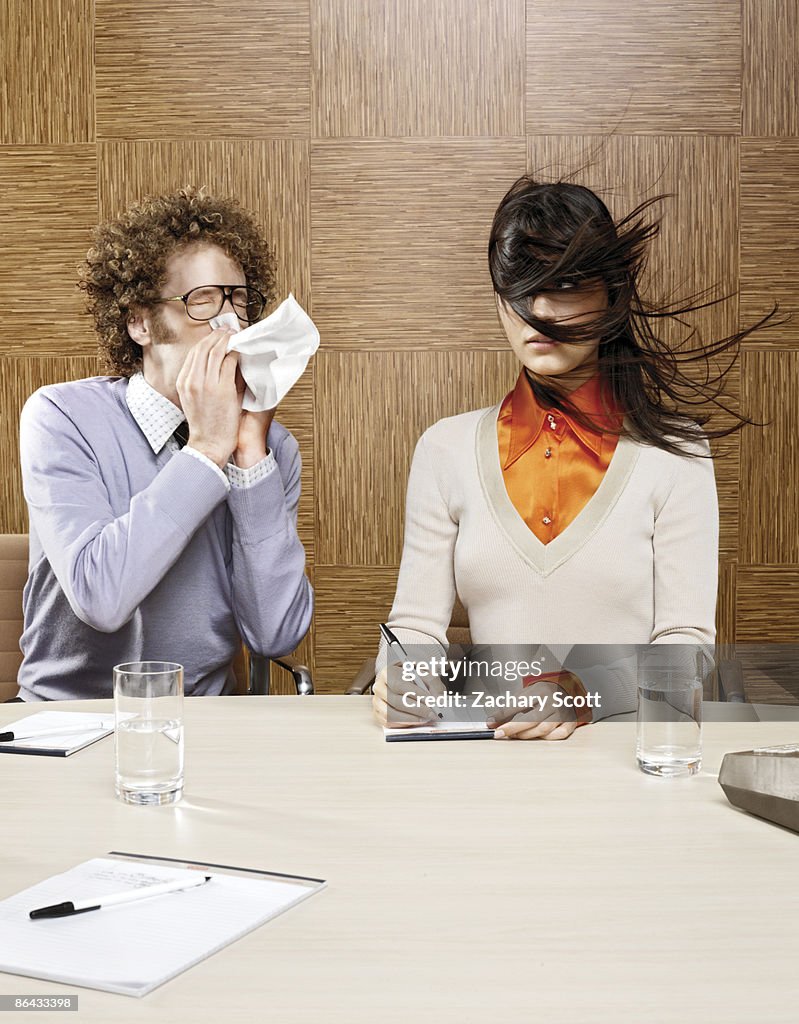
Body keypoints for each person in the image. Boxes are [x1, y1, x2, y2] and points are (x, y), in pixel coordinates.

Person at [373, 175, 777, 739]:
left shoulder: (677, 453)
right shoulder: (444, 449)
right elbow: (416, 624)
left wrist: (582, 691)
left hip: (629, 768)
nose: (537, 310)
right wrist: (404, 674)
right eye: (519, 286)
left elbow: (686, 645)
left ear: (612, 294)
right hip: (489, 764)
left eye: (563, 285)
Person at [15, 187, 313, 700]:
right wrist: (205, 450)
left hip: (205, 723)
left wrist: (245, 457)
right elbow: (101, 598)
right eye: (202, 301)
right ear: (139, 322)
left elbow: (275, 634)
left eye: (239, 300)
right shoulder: (62, 417)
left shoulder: (268, 451)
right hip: (66, 722)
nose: (229, 324)